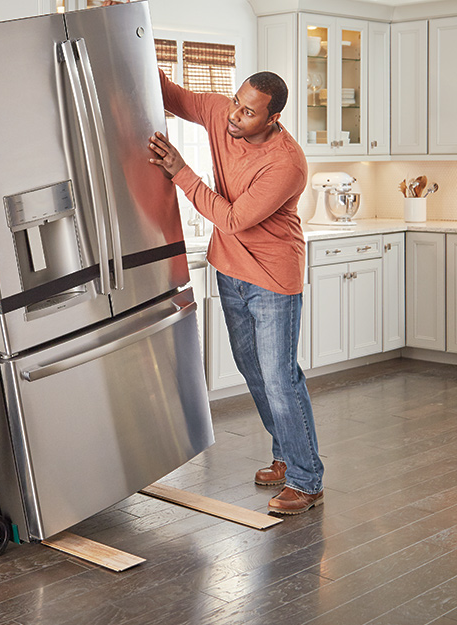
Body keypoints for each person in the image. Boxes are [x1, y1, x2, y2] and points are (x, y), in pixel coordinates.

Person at [148, 68, 324, 515]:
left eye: (248, 112)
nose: (234, 116)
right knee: (253, 370)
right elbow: (169, 93)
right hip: (229, 270)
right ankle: (286, 455)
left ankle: (307, 480)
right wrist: (130, 37)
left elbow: (231, 219)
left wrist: (180, 172)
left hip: (272, 278)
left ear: (273, 118)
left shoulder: (285, 163)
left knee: (280, 378)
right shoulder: (220, 111)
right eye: (235, 102)